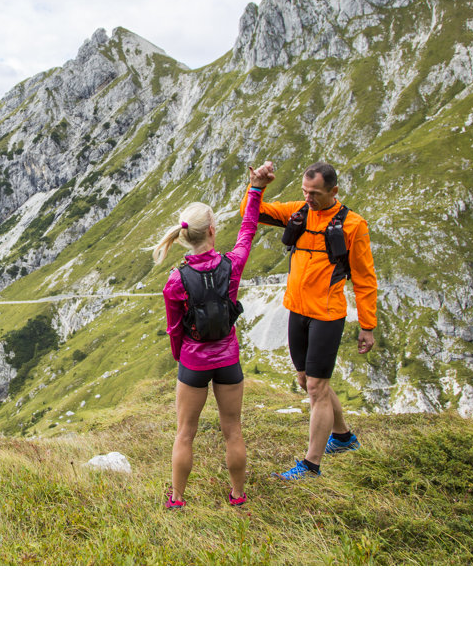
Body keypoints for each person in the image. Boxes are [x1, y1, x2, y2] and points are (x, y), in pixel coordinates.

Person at [241, 160, 377, 480]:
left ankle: (311, 466)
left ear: (334, 191)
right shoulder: (298, 212)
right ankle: (343, 437)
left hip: (327, 314)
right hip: (296, 310)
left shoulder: (353, 225)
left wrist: (367, 326)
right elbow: (254, 213)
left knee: (317, 386)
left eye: (314, 193)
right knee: (306, 381)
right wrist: (257, 186)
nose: (309, 198)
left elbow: (365, 278)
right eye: (305, 191)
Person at [155, 160, 276, 510]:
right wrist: (255, 189)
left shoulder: (175, 281)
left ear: (183, 236)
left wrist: (183, 360)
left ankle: (177, 500)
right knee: (233, 431)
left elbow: (175, 329)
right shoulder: (231, 265)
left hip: (193, 363)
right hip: (228, 360)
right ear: (211, 230)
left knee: (185, 434)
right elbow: (248, 230)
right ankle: (238, 495)